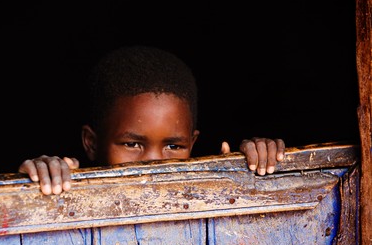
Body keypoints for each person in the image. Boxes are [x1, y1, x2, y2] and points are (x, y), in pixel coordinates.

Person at [19, 45, 285, 195]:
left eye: (174, 146)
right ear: (90, 143)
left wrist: (250, 166)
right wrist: (37, 181)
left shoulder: (211, 196)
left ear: (192, 145)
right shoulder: (68, 191)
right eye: (133, 144)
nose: (154, 162)